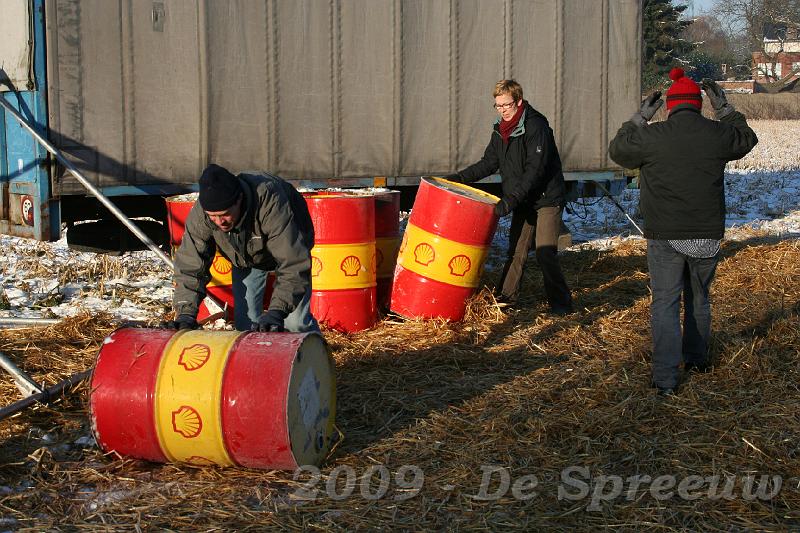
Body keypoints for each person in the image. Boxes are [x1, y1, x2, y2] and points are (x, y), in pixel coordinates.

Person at [608, 68, 758, 395]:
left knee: (665, 302)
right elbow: (747, 139)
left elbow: (618, 149)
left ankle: (665, 380)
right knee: (699, 298)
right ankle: (697, 360)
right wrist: (726, 110)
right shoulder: (716, 134)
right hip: (706, 234)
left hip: (665, 235)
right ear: (700, 104)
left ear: (670, 106)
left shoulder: (653, 136)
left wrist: (639, 117)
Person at [444, 79, 573, 315]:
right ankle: (506, 299)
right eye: (498, 105)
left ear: (519, 101)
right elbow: (488, 163)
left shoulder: (536, 126)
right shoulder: (500, 130)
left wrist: (511, 199)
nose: (502, 109)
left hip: (546, 199)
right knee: (516, 250)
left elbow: (535, 170)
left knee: (545, 253)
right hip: (523, 199)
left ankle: (562, 304)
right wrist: (457, 178)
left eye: (506, 104)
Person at [166, 164, 319, 333]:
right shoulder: (202, 214)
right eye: (213, 216)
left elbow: (293, 262)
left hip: (291, 246)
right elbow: (191, 265)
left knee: (296, 325)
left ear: (239, 199)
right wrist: (185, 314)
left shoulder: (269, 201)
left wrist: (277, 311)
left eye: (225, 214)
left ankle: (317, 355)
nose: (219, 221)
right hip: (246, 258)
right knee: (245, 325)